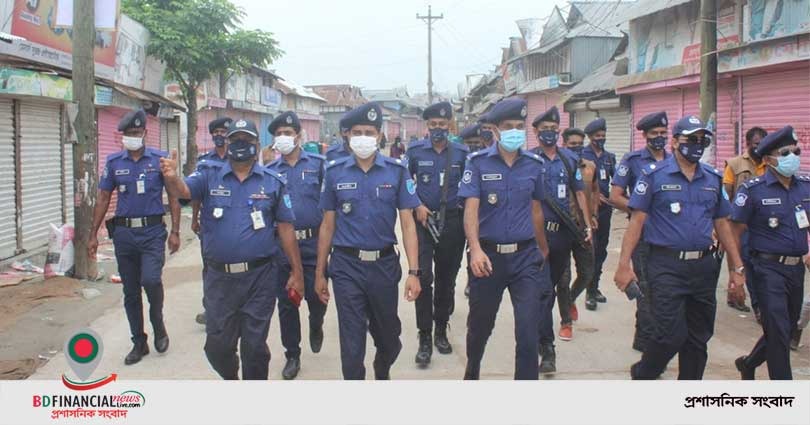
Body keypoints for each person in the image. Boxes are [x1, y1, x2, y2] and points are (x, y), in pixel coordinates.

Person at [160, 118, 305, 380]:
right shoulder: (208, 174)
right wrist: (171, 178)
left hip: (259, 278)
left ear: (257, 145)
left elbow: (285, 228)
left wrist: (297, 272)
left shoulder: (273, 182)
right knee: (217, 347)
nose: (241, 145)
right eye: (235, 140)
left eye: (247, 141)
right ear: (227, 144)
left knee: (254, 348)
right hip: (219, 280)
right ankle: (230, 377)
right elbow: (183, 191)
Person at [614, 115, 746, 380]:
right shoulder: (653, 176)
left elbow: (722, 224)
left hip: (703, 267)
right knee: (670, 335)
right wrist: (623, 266)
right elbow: (636, 222)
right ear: (674, 142)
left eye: (702, 140)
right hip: (665, 266)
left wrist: (737, 268)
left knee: (698, 340)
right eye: (691, 139)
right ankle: (643, 373)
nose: (697, 145)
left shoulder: (712, 178)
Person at [314, 102, 422, 380]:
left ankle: (382, 366)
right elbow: (327, 225)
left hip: (384, 266)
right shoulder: (335, 172)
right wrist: (319, 273)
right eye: (357, 132)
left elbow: (408, 224)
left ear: (379, 135)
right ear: (348, 136)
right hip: (347, 266)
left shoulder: (396, 171)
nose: (363, 137)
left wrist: (414, 272)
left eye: (370, 132)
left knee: (390, 338)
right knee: (351, 345)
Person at [459, 98, 551, 380]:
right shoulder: (476, 163)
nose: (514, 132)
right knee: (480, 325)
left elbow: (536, 210)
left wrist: (542, 250)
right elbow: (470, 210)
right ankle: (472, 369)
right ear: (495, 131)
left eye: (518, 127)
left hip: (525, 257)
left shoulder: (534, 164)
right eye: (508, 127)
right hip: (488, 258)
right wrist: (474, 250)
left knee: (527, 331)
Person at [88, 109, 181, 365]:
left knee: (151, 280)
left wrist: (175, 231)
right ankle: (139, 343)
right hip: (125, 234)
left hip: (152, 232)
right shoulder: (114, 162)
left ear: (145, 134)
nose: (132, 137)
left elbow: (173, 196)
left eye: (136, 133)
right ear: (123, 137)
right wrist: (93, 235)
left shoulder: (160, 160)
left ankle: (158, 324)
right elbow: (104, 198)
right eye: (128, 134)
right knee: (130, 292)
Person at [732, 126, 809, 380]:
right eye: (785, 152)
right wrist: (737, 270)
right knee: (777, 332)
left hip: (796, 269)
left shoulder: (806, 186)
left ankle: (748, 363)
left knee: (785, 330)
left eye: (795, 151)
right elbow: (735, 229)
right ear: (768, 159)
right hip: (766, 269)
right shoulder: (753, 190)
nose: (792, 157)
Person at [405, 101, 469, 367]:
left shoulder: (462, 153)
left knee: (446, 280)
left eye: (443, 125)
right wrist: (416, 205)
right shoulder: (415, 152)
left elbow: (470, 187)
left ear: (450, 125)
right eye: (433, 125)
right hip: (423, 222)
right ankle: (424, 338)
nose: (438, 129)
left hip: (453, 224)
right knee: (423, 277)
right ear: (427, 127)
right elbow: (405, 184)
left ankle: (440, 330)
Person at [266, 111, 328, 380]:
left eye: (288, 133)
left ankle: (316, 321)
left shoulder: (318, 165)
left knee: (316, 295)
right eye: (278, 134)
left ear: (299, 136)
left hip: (314, 242)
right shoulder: (269, 172)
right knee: (287, 302)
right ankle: (293, 354)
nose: (283, 138)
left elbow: (330, 207)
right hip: (282, 247)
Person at [532, 107, 593, 356]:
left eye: (553, 129)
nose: (549, 133)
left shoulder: (569, 159)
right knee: (544, 288)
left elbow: (580, 192)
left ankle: (558, 320)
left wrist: (587, 225)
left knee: (562, 279)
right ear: (536, 132)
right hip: (537, 235)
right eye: (544, 129)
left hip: (564, 234)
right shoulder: (529, 159)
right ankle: (546, 338)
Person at [610, 111, 670, 353]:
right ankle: (646, 343)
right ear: (644, 135)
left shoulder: (674, 159)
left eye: (663, 133)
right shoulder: (632, 160)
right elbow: (615, 196)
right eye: (655, 133)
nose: (659, 137)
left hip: (669, 236)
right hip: (642, 234)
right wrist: (642, 210)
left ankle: (652, 338)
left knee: (664, 288)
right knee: (645, 288)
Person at [723, 127, 768, 315]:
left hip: (763, 225)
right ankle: (737, 296)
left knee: (758, 265)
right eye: (757, 144)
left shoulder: (771, 163)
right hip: (738, 224)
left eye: (764, 144)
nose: (761, 148)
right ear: (748, 144)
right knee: (739, 262)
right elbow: (726, 195)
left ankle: (757, 302)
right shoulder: (734, 164)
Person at [193, 117, 232, 326]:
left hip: (233, 221)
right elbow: (197, 193)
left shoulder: (239, 159)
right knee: (210, 267)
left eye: (224, 132)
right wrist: (195, 218)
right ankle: (211, 309)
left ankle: (230, 307)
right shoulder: (204, 161)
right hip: (210, 224)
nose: (220, 136)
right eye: (216, 132)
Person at [560, 128, 600, 315]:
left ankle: (570, 299)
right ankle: (565, 320)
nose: (576, 148)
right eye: (572, 144)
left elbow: (595, 191)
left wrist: (593, 216)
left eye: (579, 144)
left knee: (587, 272)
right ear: (564, 145)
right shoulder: (557, 165)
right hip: (562, 226)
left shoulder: (590, 166)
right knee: (564, 276)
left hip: (582, 226)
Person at [581, 118, 616, 310]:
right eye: (597, 136)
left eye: (603, 135)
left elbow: (616, 180)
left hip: (605, 210)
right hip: (587, 209)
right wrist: (595, 197)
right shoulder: (582, 154)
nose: (601, 139)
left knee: (602, 250)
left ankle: (595, 286)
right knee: (590, 250)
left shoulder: (610, 157)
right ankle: (588, 290)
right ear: (590, 137)